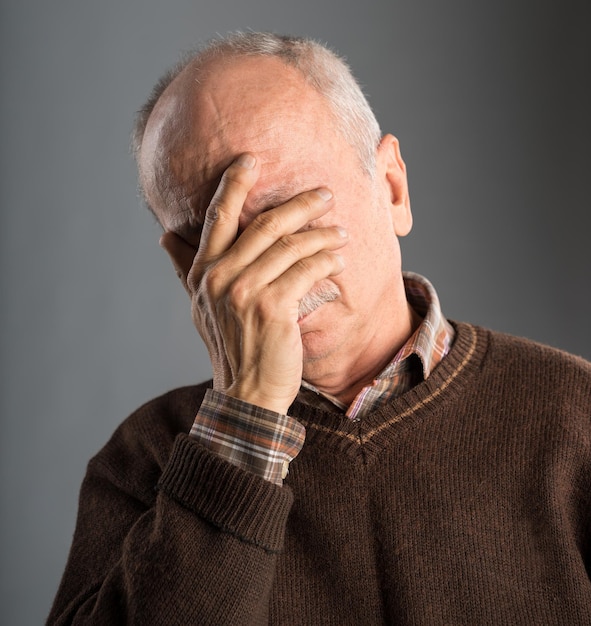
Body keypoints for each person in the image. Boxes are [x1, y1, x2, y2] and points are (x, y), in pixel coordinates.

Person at [48, 32, 591, 625]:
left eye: (297, 208)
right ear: (188, 270)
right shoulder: (143, 460)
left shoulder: (576, 413)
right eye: (222, 237)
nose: (270, 267)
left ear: (392, 188)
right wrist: (243, 421)